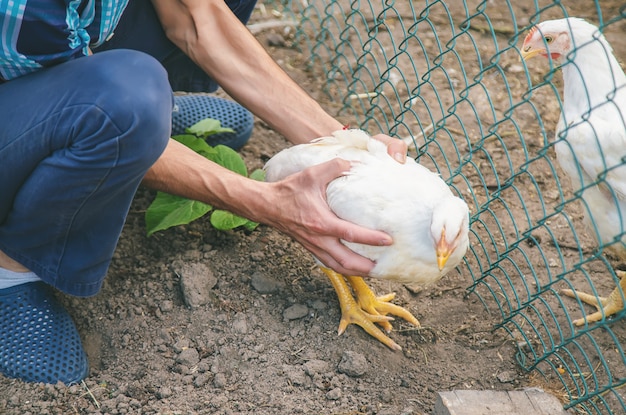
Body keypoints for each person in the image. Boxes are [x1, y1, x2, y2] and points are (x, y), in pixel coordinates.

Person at [0, 0, 407, 385]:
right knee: (124, 103)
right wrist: (268, 203)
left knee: (131, 98)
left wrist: (344, 147)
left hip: (54, 60)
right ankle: (11, 270)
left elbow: (195, 15)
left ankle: (134, 105)